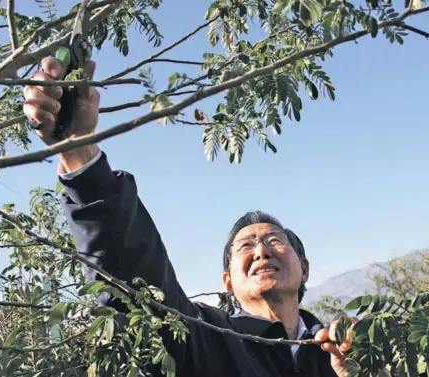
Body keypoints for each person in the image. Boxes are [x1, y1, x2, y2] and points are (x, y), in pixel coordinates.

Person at [23, 57, 356, 377]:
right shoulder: (205, 338)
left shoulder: (342, 353)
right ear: (228, 282)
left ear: (305, 267)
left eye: (274, 241)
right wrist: (78, 150)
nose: (261, 251)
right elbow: (137, 280)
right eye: (246, 247)